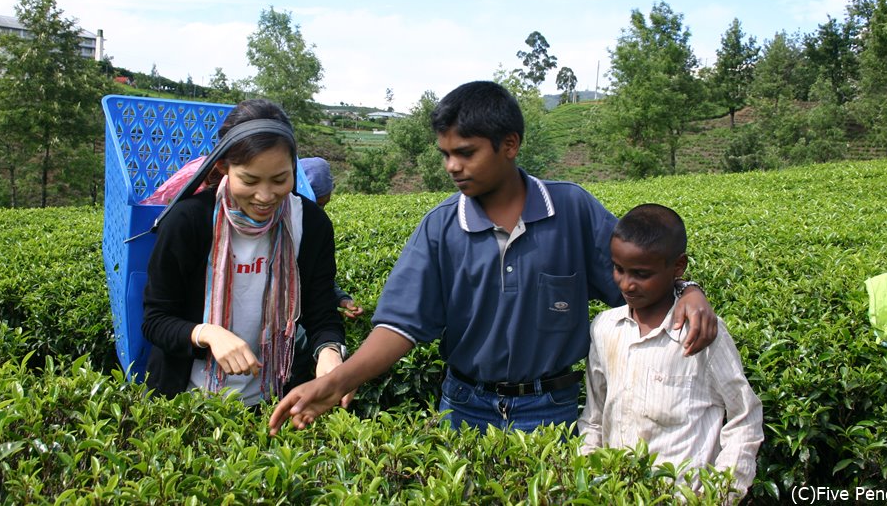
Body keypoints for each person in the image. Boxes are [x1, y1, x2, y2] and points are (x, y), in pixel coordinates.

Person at [269, 81, 716, 434]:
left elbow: (637, 280)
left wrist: (687, 291)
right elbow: (400, 326)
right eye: (445, 154)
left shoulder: (572, 210)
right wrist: (337, 380)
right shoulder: (442, 227)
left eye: (466, 153)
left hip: (552, 407)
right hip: (464, 405)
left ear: (510, 145)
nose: (452, 167)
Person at [142, 99, 348, 408]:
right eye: (249, 180)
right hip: (184, 401)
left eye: (280, 179)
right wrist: (206, 333)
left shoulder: (310, 224)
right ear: (224, 166)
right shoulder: (189, 222)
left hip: (271, 399)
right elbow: (155, 320)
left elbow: (321, 312)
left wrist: (330, 351)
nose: (265, 196)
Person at [577, 204, 763, 502]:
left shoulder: (703, 334)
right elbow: (595, 417)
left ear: (678, 267)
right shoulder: (605, 328)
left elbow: (745, 417)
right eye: (618, 269)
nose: (626, 284)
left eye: (641, 273)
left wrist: (721, 494)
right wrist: (589, 476)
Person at [298, 156, 363, 319]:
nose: (320, 212)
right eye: (317, 204)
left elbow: (318, 277)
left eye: (324, 205)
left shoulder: (317, 229)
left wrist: (342, 299)